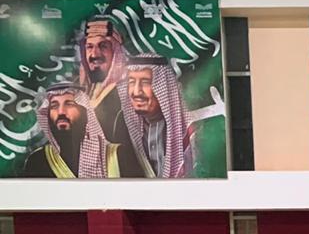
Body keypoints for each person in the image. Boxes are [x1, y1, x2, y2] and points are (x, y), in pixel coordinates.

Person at [22, 83, 129, 178]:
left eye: (69, 104)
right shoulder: (37, 161)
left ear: (84, 111)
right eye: (54, 106)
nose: (61, 112)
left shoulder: (119, 155)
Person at [116, 54, 192, 178]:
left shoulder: (185, 129)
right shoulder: (121, 124)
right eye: (132, 82)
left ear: (163, 86)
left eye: (145, 82)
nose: (136, 92)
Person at [75, 15, 129, 144]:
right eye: (89, 47)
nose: (94, 54)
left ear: (115, 52)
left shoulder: (128, 91)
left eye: (103, 46)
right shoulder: (78, 87)